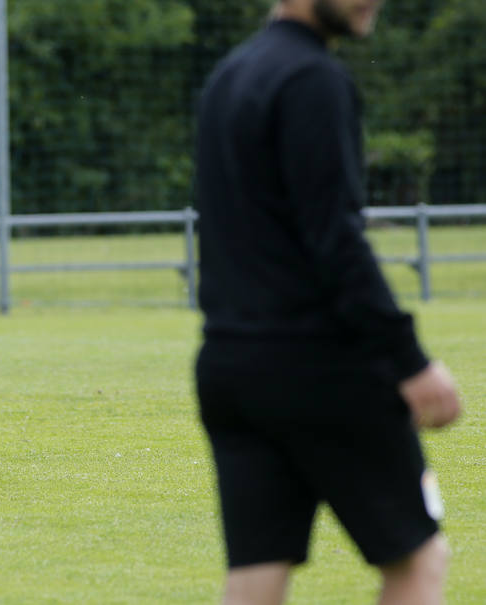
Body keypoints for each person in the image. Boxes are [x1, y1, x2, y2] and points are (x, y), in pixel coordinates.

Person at [193, 1, 462, 604]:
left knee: (255, 577)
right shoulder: (314, 78)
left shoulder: (229, 77)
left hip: (232, 369)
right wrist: (410, 362)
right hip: (320, 370)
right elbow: (336, 241)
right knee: (420, 560)